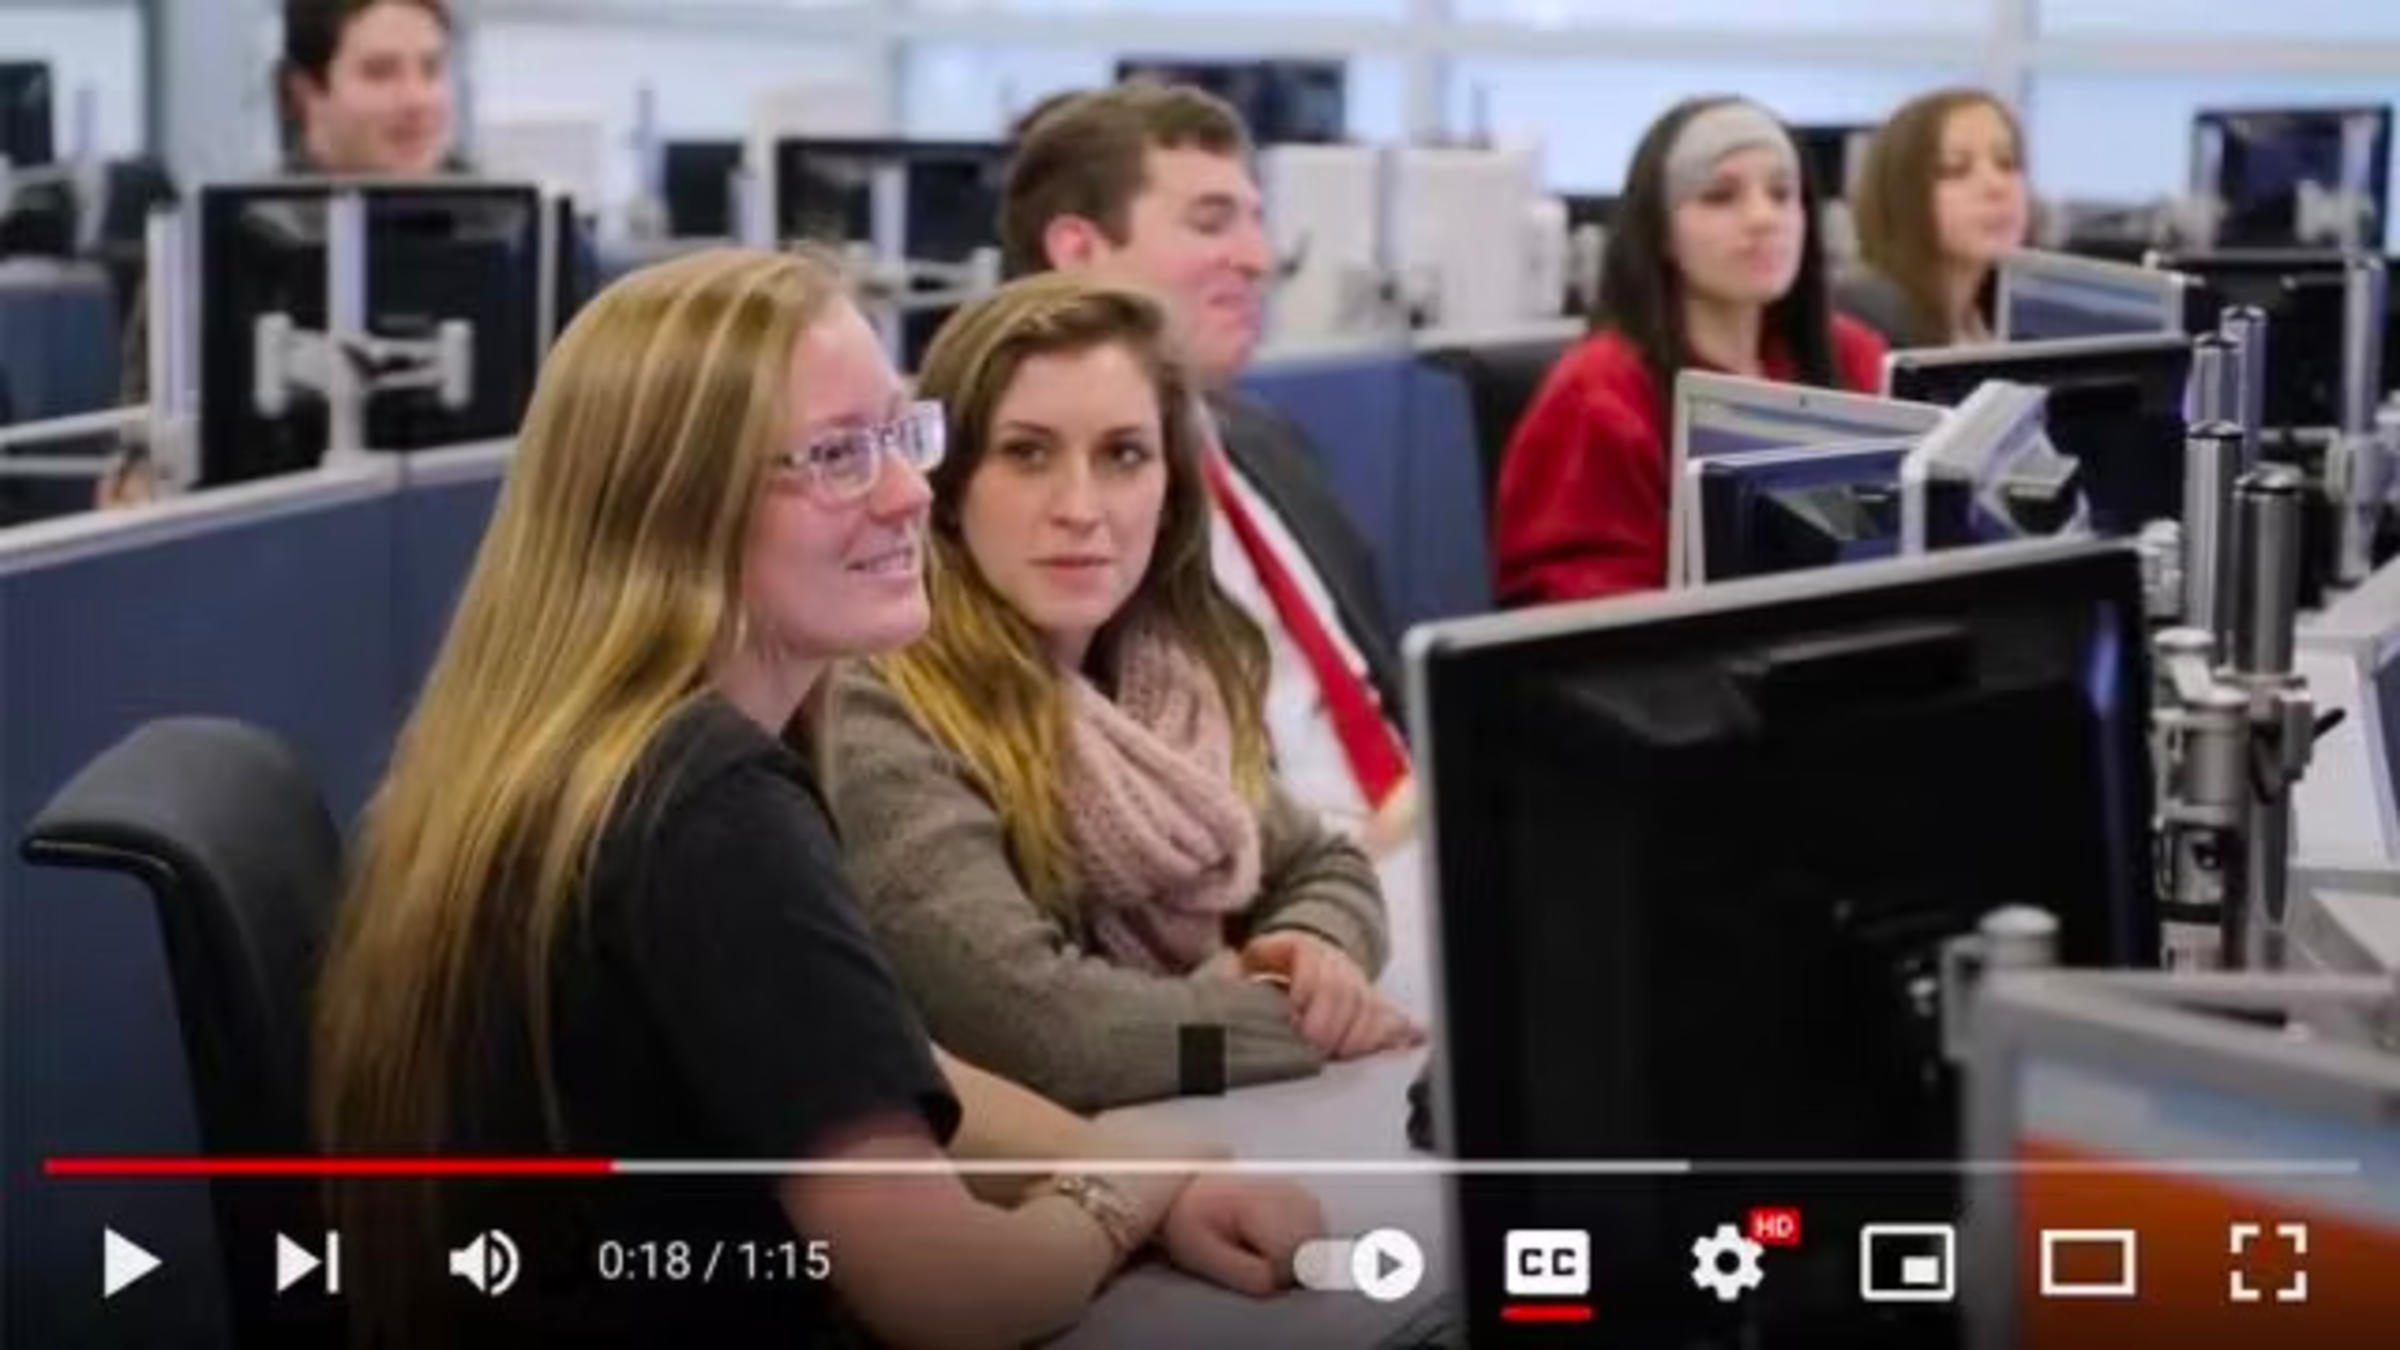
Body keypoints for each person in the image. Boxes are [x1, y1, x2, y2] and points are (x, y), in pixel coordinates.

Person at [311, 247, 1324, 1348]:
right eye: (839, 456)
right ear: (679, 508)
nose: (910, 492)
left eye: (899, 434)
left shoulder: (584, 748)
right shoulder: (704, 809)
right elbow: (956, 1295)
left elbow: (881, 1063)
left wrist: (1132, 1170)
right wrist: (1118, 1198)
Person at [822, 275, 1420, 1114]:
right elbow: (1054, 1044)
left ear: (1171, 491)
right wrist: (1289, 1029)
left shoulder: (1158, 684)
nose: (1080, 508)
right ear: (949, 490)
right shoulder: (884, 701)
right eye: (1027, 453)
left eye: (1123, 455)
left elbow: (1327, 865)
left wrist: (1310, 946)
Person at [1002, 81, 1415, 853]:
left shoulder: (1266, 443)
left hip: (1419, 842)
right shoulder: (1028, 519)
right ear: (1080, 254)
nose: (1259, 258)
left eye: (1256, 221)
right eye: (1210, 222)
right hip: (1277, 890)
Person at [1491, 97, 1889, 606]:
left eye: (1782, 193)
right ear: (1660, 230)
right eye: (1720, 196)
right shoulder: (1598, 396)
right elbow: (1578, 606)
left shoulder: (1851, 354)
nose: (1764, 217)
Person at [99, 0, 461, 509]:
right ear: (304, 91)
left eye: (432, 69)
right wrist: (137, 479)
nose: (418, 98)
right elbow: (137, 458)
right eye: (380, 73)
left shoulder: (511, 227)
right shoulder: (217, 241)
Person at [1843, 88, 2033, 348]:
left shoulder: (2002, 320)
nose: (1997, 186)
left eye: (2007, 163)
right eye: (1955, 169)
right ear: (1901, 194)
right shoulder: (1866, 322)